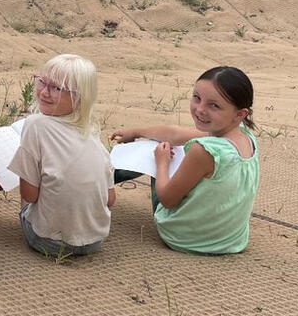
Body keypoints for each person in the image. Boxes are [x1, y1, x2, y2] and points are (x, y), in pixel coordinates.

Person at [111, 66, 259, 254]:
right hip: (230, 240)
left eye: (214, 105)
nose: (200, 109)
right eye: (197, 97)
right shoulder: (246, 137)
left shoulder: (203, 150)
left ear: (240, 114)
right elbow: (176, 134)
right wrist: (135, 131)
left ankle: (98, 180)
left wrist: (162, 163)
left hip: (186, 238)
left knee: (156, 152)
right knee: (171, 147)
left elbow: (167, 200)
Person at [0, 54, 115, 258]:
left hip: (48, 242)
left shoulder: (35, 125)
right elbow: (110, 199)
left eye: (56, 88)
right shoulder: (91, 132)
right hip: (95, 241)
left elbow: (29, 196)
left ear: (79, 97)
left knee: (22, 160)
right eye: (42, 82)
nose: (44, 92)